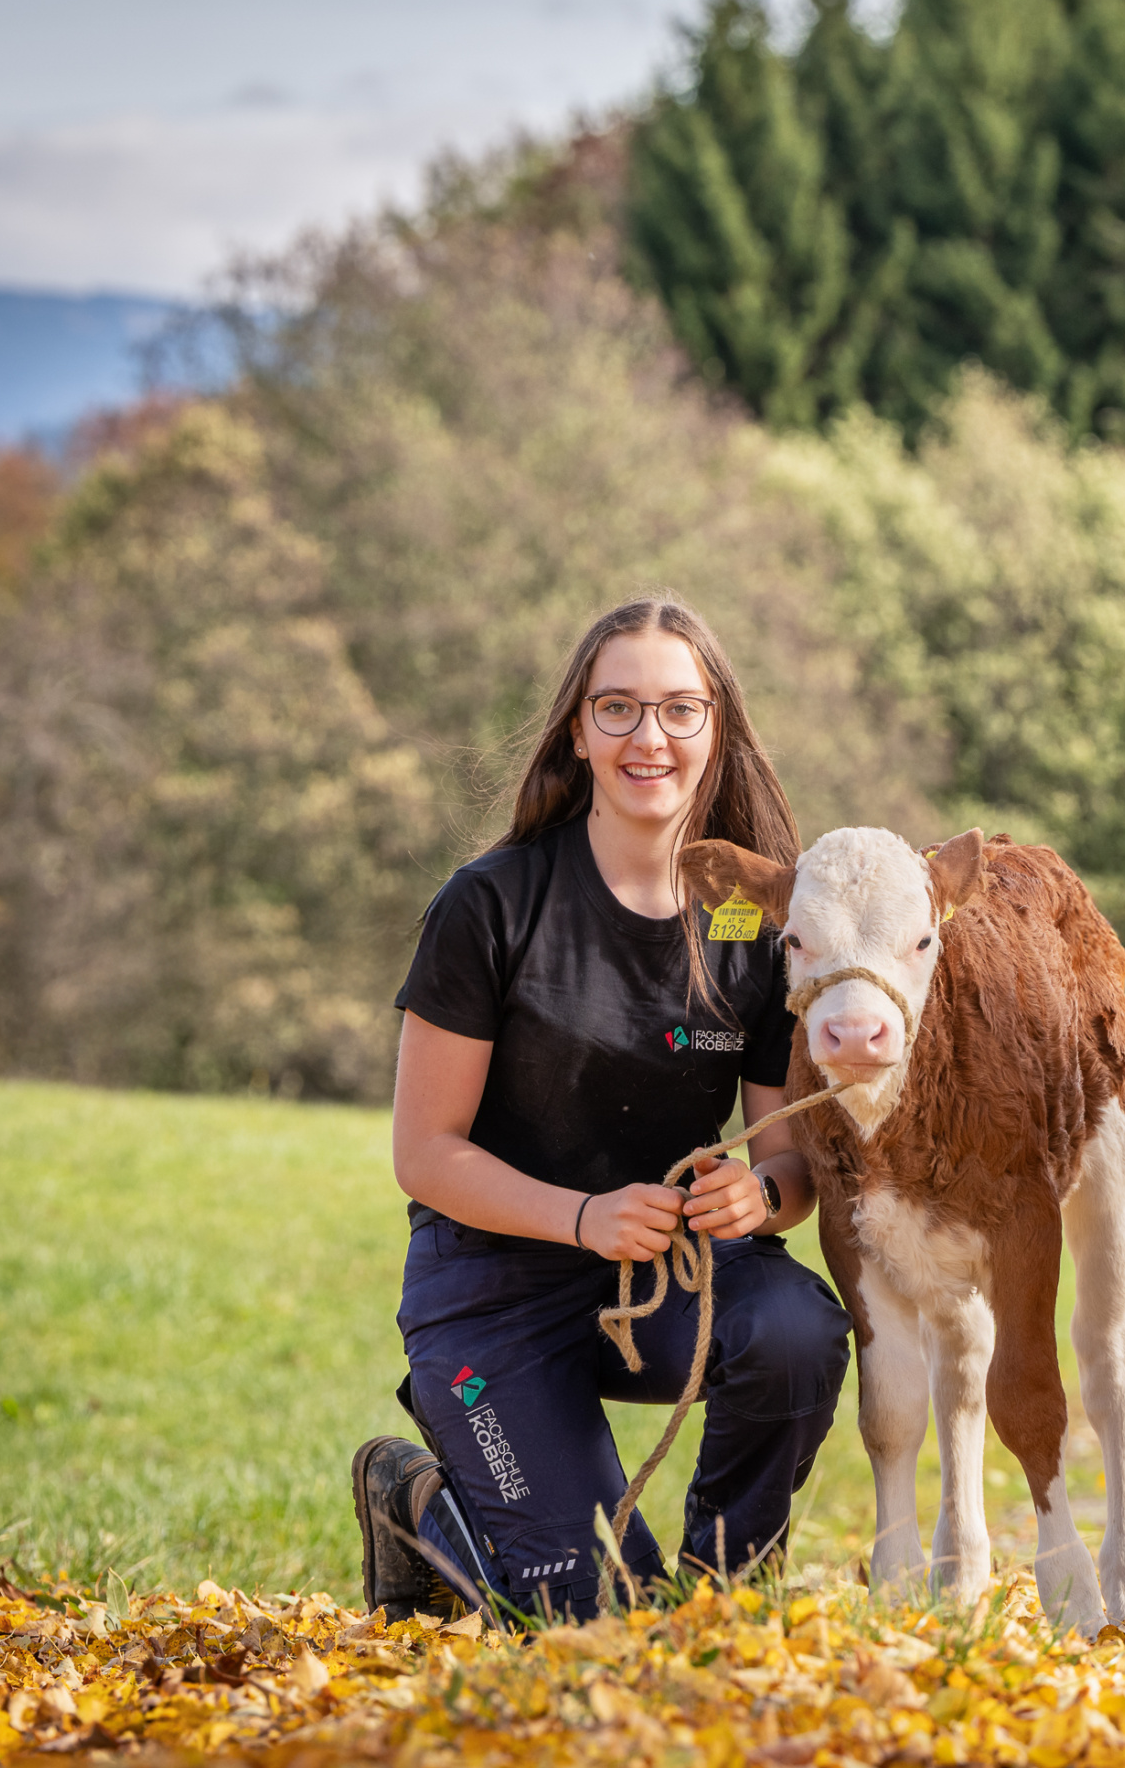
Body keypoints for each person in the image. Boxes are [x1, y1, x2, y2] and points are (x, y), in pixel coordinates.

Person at [352, 596, 854, 1621]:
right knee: (591, 1621)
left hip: (663, 1282)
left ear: (716, 729)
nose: (648, 737)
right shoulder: (490, 904)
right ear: (577, 732)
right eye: (617, 708)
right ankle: (417, 1504)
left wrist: (760, 1196)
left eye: (679, 709)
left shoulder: (754, 928)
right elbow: (425, 1152)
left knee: (797, 1327)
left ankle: (723, 1598)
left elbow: (792, 1162)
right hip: (490, 1291)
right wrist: (584, 1217)